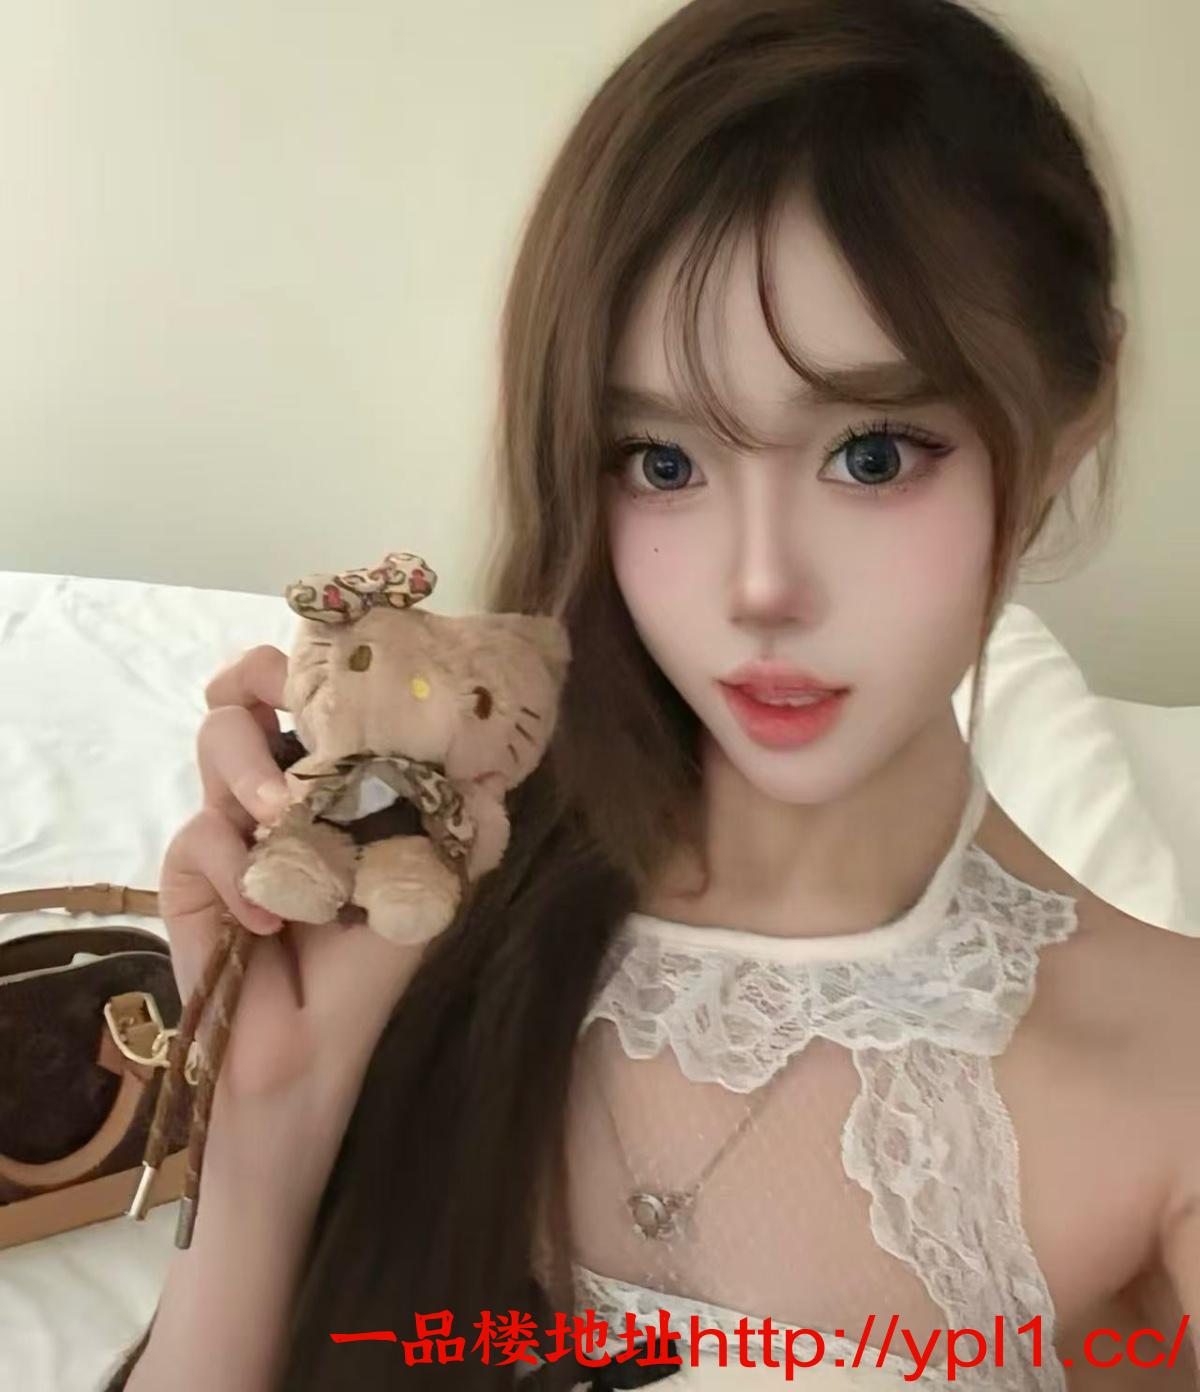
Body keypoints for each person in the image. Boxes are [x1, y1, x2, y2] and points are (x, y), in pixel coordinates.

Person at [104, 1, 1199, 1389]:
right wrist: (267, 1127)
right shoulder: (435, 919)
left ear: (1067, 423)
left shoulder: (1167, 1092)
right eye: (662, 462)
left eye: (872, 454)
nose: (759, 587)